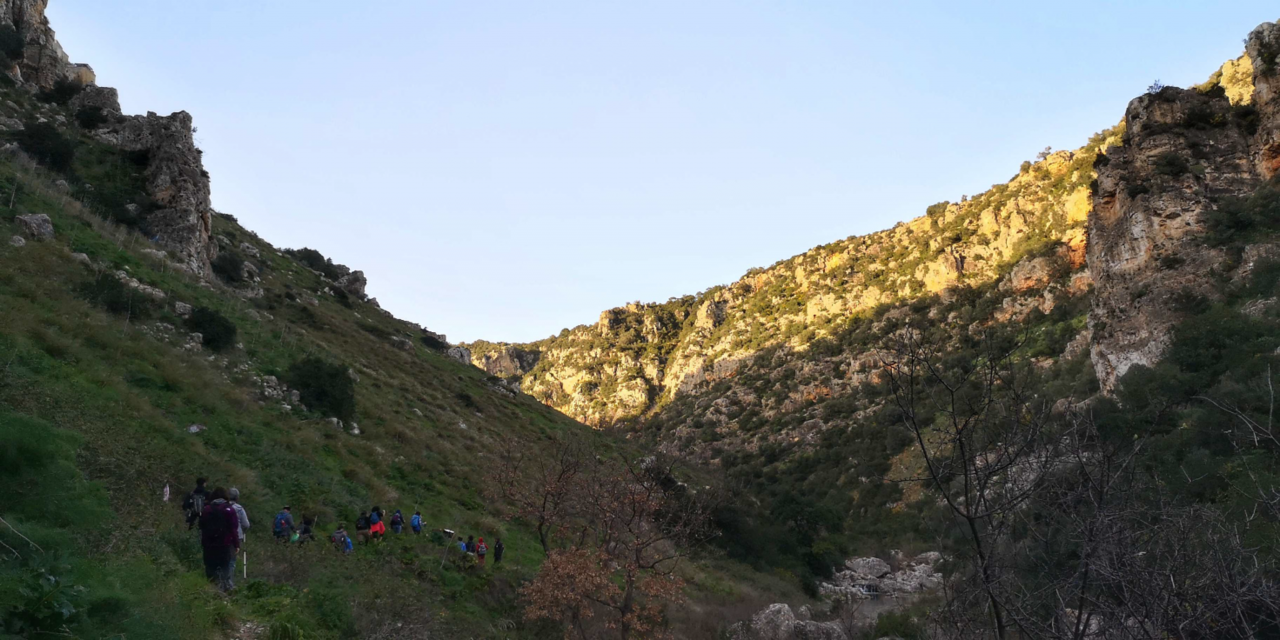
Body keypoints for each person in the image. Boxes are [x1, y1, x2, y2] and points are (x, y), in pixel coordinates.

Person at [198, 487, 240, 592]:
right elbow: (233, 529)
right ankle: (224, 590)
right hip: (224, 544)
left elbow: (201, 526)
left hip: (209, 545)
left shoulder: (207, 509)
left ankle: (212, 589)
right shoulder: (229, 510)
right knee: (224, 567)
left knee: (210, 567)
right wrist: (236, 544)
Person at [228, 488, 250, 579]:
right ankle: (230, 581)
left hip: (222, 535)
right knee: (232, 559)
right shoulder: (239, 508)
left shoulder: (222, 507)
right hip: (236, 537)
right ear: (237, 497)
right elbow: (246, 524)